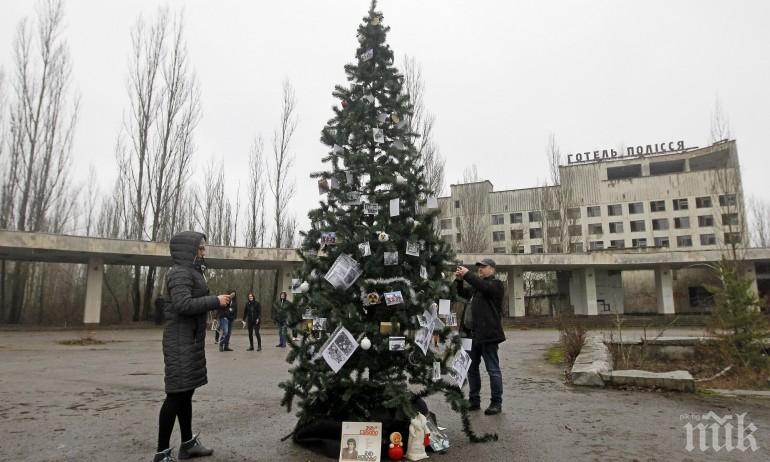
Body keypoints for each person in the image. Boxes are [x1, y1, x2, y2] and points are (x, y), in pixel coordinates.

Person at [153, 231, 231, 462]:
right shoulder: (179, 273)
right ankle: (161, 453)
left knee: (185, 393)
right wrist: (215, 301)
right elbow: (182, 304)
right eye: (200, 248)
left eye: (203, 248)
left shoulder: (192, 272)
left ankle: (187, 444)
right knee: (175, 396)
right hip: (179, 341)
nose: (203, 252)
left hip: (189, 340)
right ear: (188, 250)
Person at [455, 258, 506, 416]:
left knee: (493, 370)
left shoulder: (495, 285)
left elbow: (484, 286)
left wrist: (467, 274)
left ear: (493, 269)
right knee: (471, 369)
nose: (481, 269)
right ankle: (474, 401)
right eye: (479, 267)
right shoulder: (476, 289)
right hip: (470, 335)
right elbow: (461, 293)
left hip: (487, 335)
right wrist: (458, 281)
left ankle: (496, 403)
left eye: (484, 267)